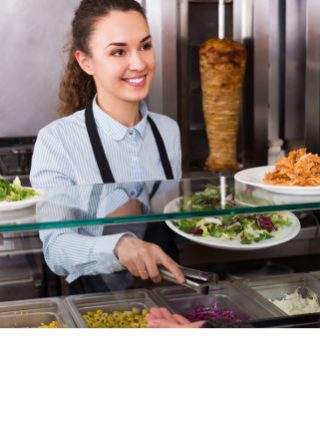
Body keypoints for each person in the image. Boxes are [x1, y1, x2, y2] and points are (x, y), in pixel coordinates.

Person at [30, 0, 185, 291]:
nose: (139, 63)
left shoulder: (168, 131)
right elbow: (56, 248)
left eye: (145, 46)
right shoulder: (57, 141)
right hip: (99, 307)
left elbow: (174, 222)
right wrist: (119, 247)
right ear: (85, 61)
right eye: (118, 51)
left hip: (167, 298)